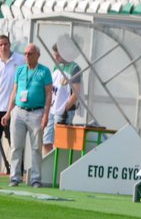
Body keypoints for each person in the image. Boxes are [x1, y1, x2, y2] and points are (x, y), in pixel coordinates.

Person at [3, 43, 52, 188]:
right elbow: (14, 92)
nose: (27, 56)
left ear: (37, 55)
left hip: (36, 112)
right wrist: (8, 113)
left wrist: (46, 115)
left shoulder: (44, 71)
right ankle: (15, 177)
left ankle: (36, 178)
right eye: (25, 54)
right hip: (19, 111)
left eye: (30, 54)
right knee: (16, 146)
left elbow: (49, 94)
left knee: (37, 147)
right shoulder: (20, 70)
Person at [44, 42, 82, 156]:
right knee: (46, 140)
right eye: (54, 55)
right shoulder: (57, 66)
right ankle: (48, 167)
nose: (55, 58)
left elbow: (75, 93)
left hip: (63, 111)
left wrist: (65, 109)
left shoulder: (74, 68)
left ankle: (60, 167)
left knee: (61, 142)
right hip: (51, 109)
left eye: (58, 55)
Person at [0, 35, 25, 174]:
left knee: (14, 142)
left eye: (5, 44)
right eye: (1, 45)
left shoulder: (20, 59)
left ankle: (18, 172)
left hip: (14, 108)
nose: (3, 47)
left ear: (10, 45)